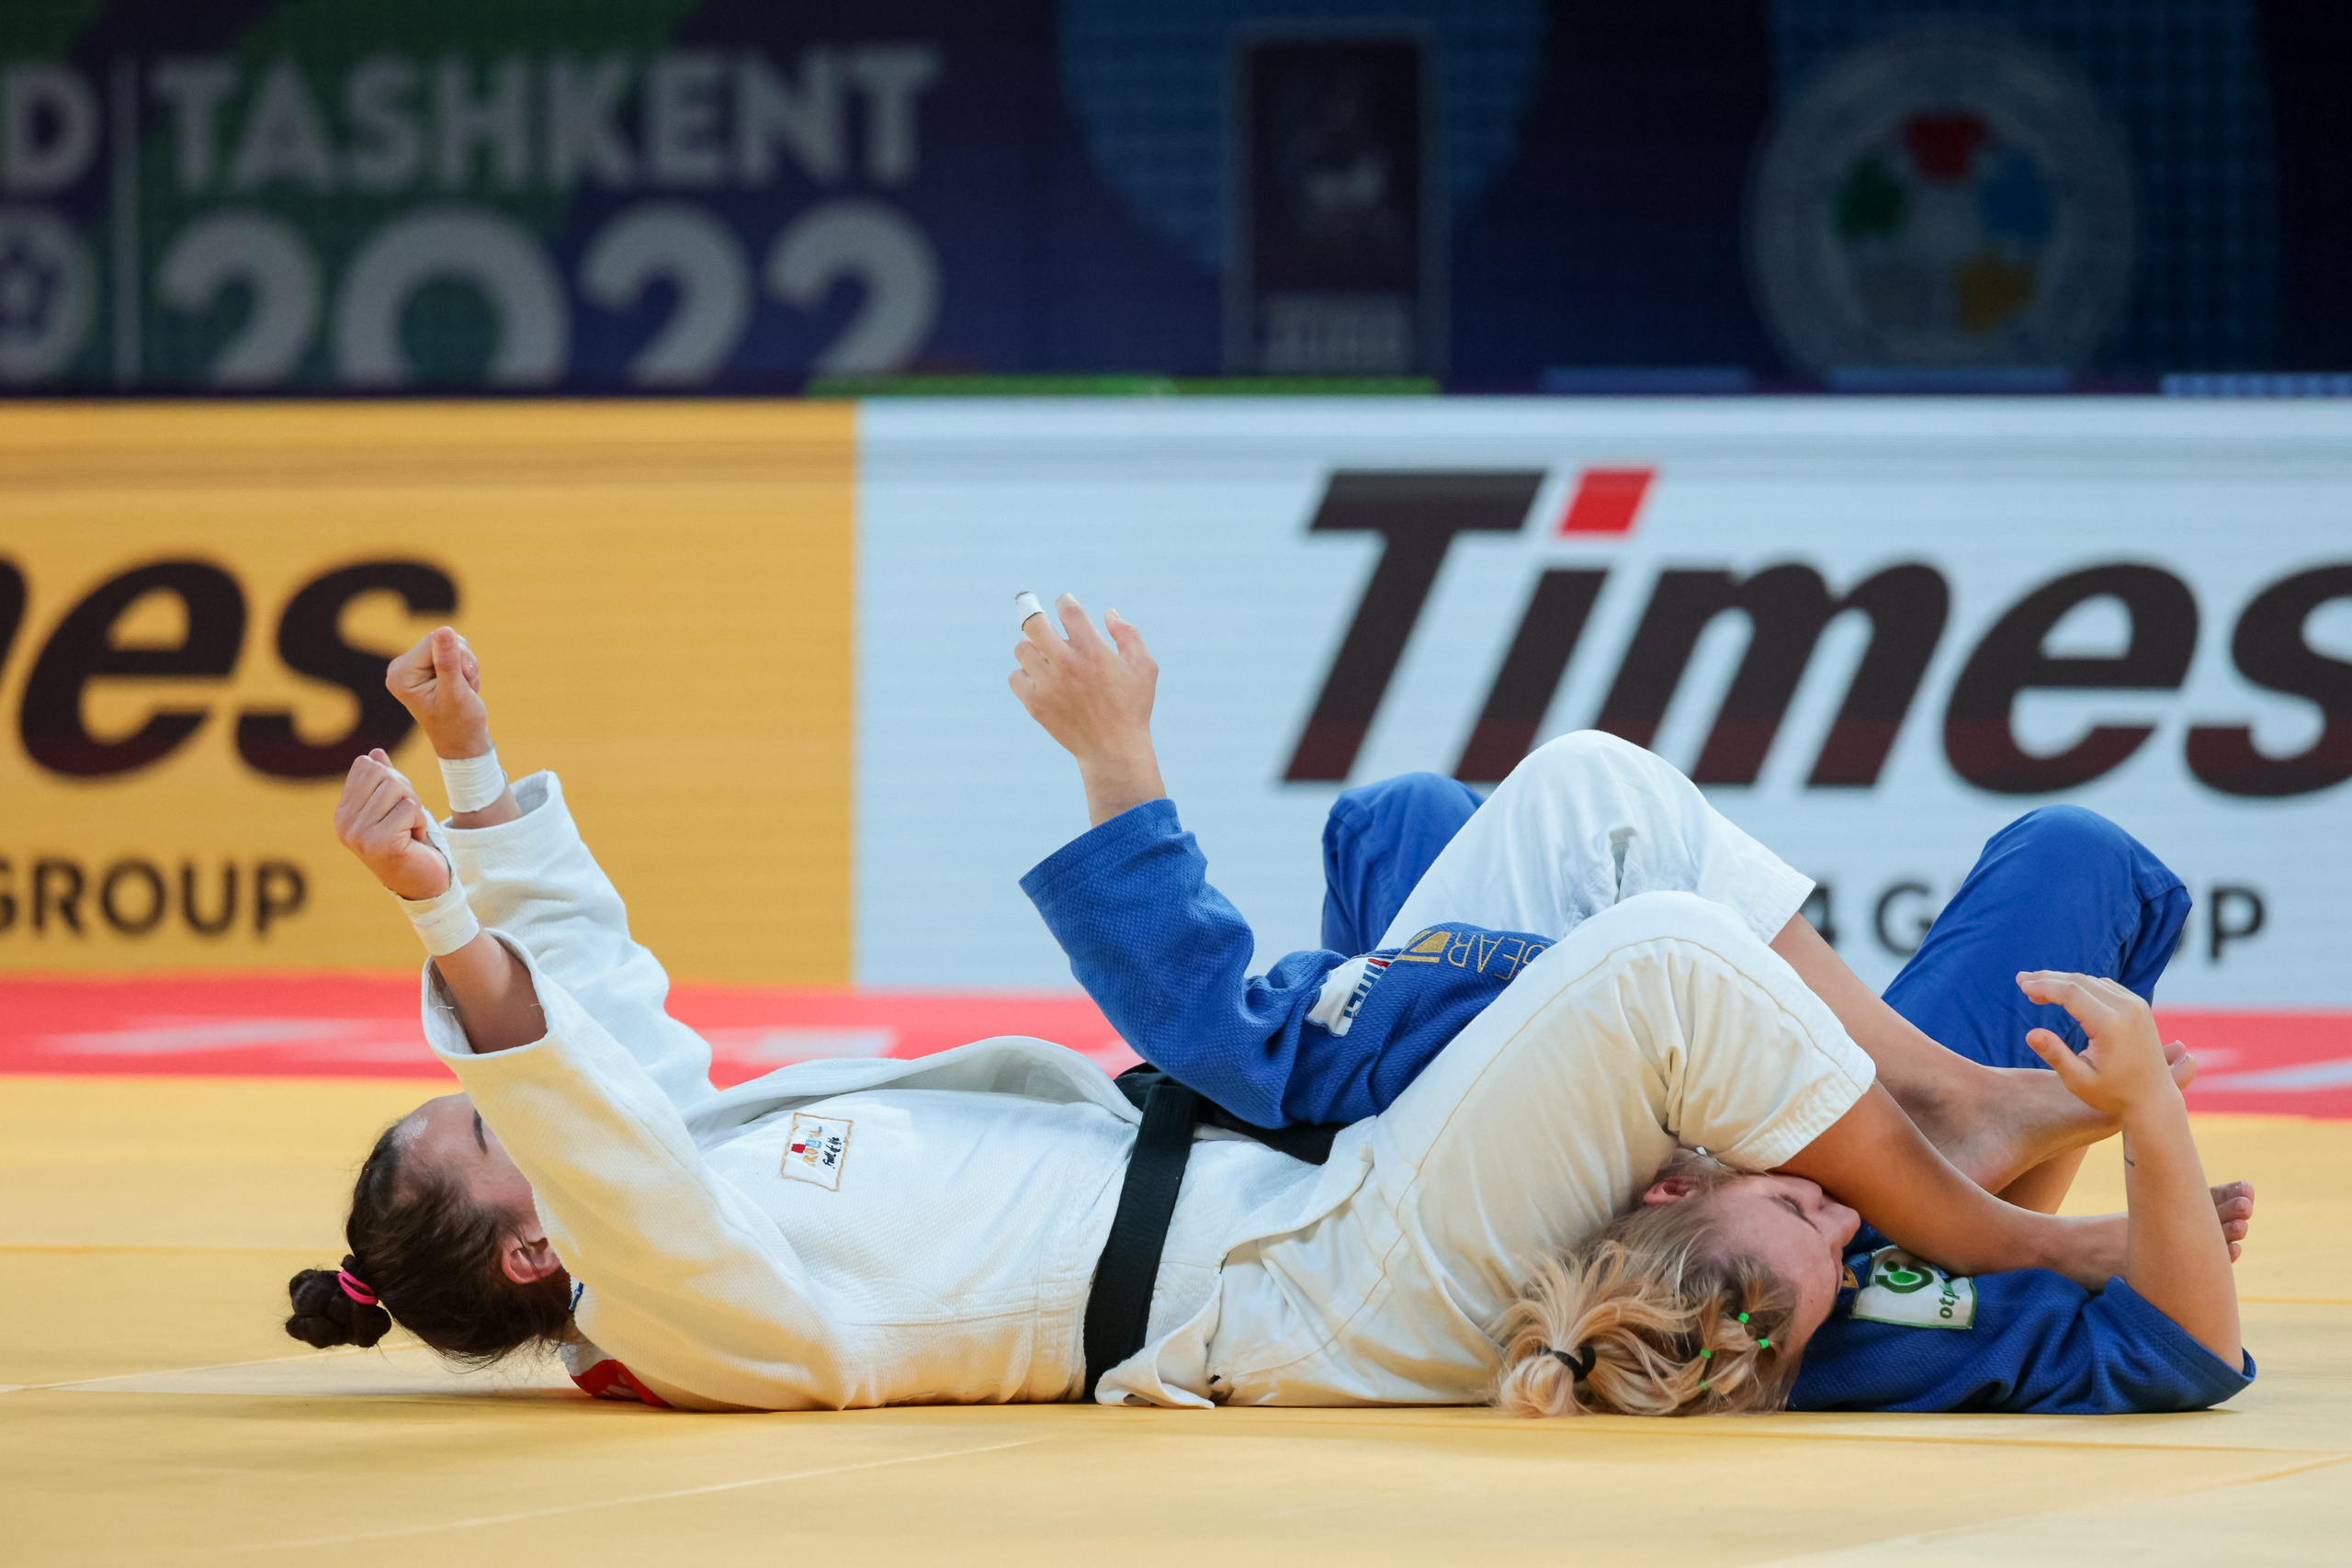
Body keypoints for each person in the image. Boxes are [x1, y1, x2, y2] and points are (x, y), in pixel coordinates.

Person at [291, 625, 2113, 1412]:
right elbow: (578, 1098)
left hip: (1286, 1170)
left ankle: (1937, 1099)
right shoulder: (682, 1303)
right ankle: (1993, 1219)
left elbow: (597, 1012)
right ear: (536, 1248)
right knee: (1650, 958)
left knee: (1583, 793)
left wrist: (468, 752)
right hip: (1312, 1281)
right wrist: (436, 910)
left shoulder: (687, 1165)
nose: (525, 1093)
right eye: (484, 1117)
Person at [1007, 594, 2252, 1416]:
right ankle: (1940, 1119)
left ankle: (1931, 1106)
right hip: (1904, 1181)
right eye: (1834, 1215)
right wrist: (2143, 1121)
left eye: (1794, 1194)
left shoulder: (1580, 1219)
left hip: (1500, 1111)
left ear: (1675, 1182)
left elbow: (1219, 1025)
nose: (1836, 1206)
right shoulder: (1849, 1310)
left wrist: (1117, 766)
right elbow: (2187, 1351)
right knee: (2076, 855)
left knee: (1404, 820)